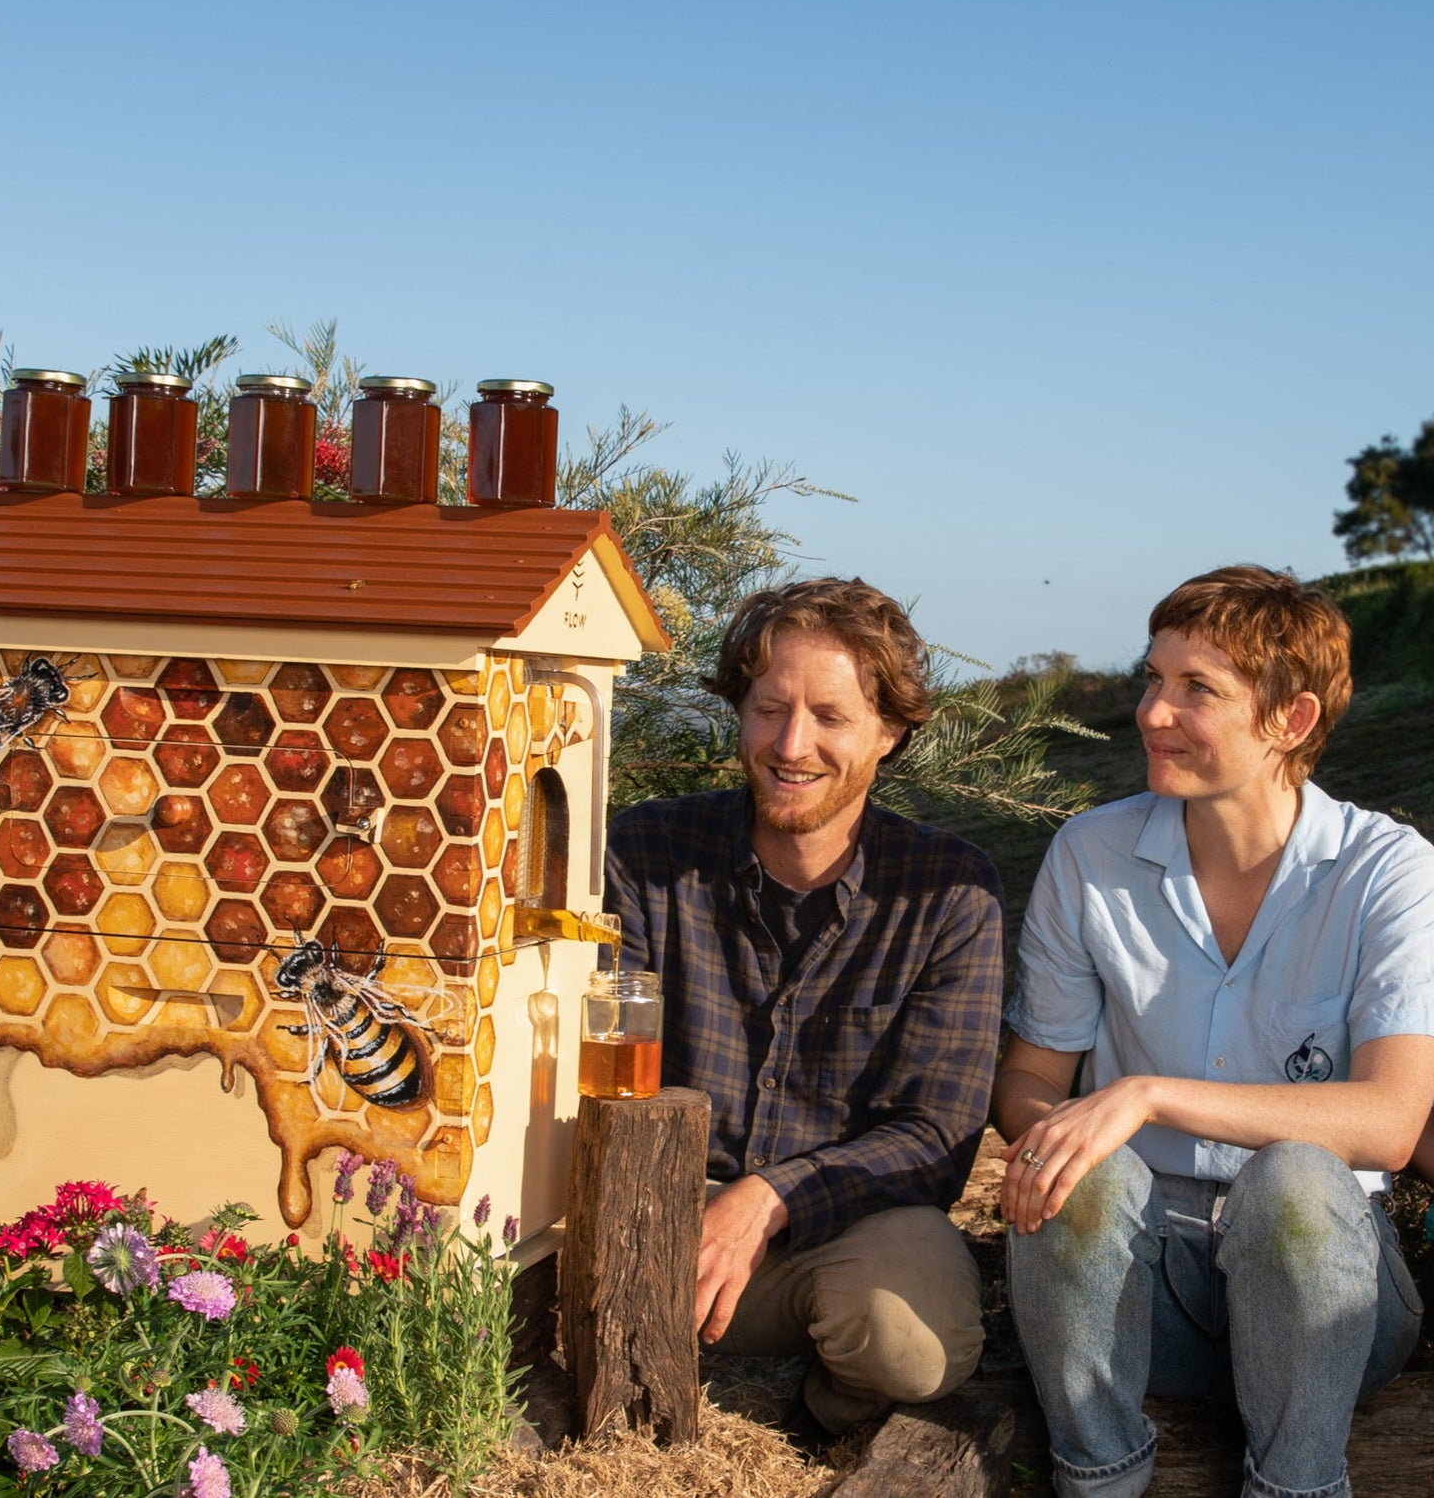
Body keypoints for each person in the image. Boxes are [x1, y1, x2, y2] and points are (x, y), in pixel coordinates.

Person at [993, 565, 1434, 1498]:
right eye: (1154, 679)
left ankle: (1300, 1484)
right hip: (1142, 1293)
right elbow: (1028, 1081)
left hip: (1334, 1293)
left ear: (1292, 721)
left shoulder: (1388, 870)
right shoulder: (1090, 853)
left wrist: (1145, 1094)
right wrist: (1059, 1139)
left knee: (1298, 1180)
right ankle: (1099, 1472)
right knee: (1089, 1174)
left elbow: (1392, 1120)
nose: (1153, 712)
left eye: (1198, 690)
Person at [603, 577, 1004, 1434]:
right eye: (768, 707)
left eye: (830, 716)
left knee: (911, 1341)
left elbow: (934, 1137)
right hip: (659, 1212)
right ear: (738, 710)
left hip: (840, 1226)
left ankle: (822, 1397)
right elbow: (594, 1068)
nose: (792, 743)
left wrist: (767, 1197)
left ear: (889, 732)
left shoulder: (949, 893)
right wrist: (671, 1214)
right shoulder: (644, 853)